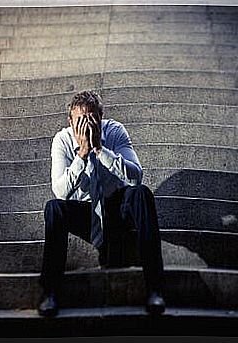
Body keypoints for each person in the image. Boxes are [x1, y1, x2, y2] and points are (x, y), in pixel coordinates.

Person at [38, 90, 166, 317]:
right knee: (53, 208)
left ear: (101, 116)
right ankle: (50, 293)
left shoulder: (115, 131)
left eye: (92, 118)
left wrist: (100, 149)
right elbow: (60, 192)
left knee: (141, 194)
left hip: (116, 208)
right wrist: (82, 154)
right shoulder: (63, 141)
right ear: (70, 121)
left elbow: (136, 176)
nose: (86, 125)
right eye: (80, 120)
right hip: (85, 214)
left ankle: (155, 288)